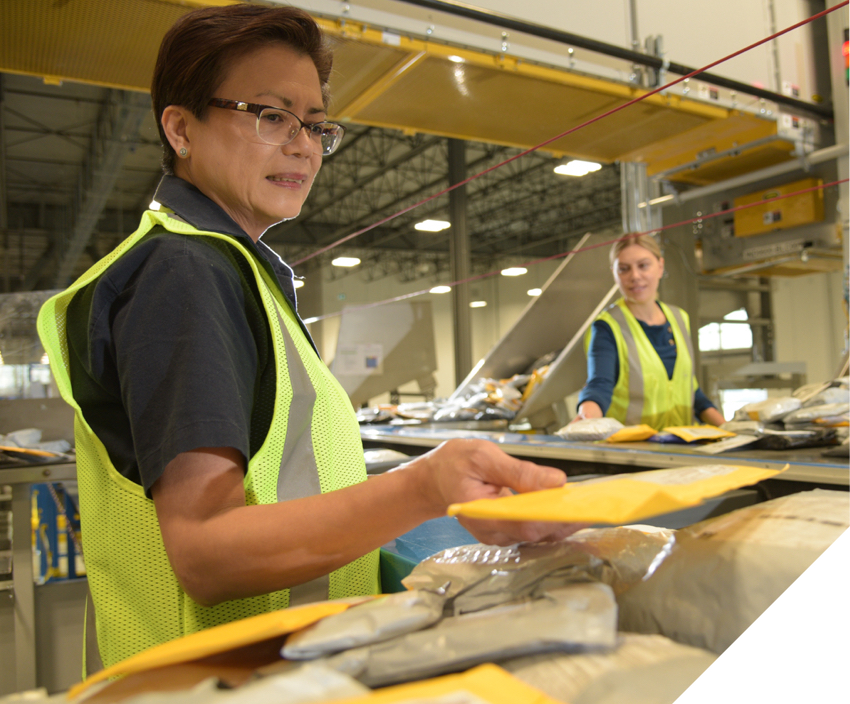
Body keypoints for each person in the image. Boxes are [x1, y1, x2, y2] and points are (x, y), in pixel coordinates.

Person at [37, 4, 581, 671]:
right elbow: (206, 551)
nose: (301, 144)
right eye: (271, 115)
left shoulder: (237, 272)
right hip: (223, 682)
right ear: (180, 128)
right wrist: (426, 486)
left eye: (316, 125)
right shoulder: (184, 272)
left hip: (281, 671)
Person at [574, 234, 725, 430]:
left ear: (660, 266)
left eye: (643, 265)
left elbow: (690, 389)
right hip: (630, 452)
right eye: (624, 269)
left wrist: (729, 428)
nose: (635, 276)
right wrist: (587, 416)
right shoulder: (607, 327)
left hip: (679, 448)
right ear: (614, 274)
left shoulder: (679, 318)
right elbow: (599, 385)